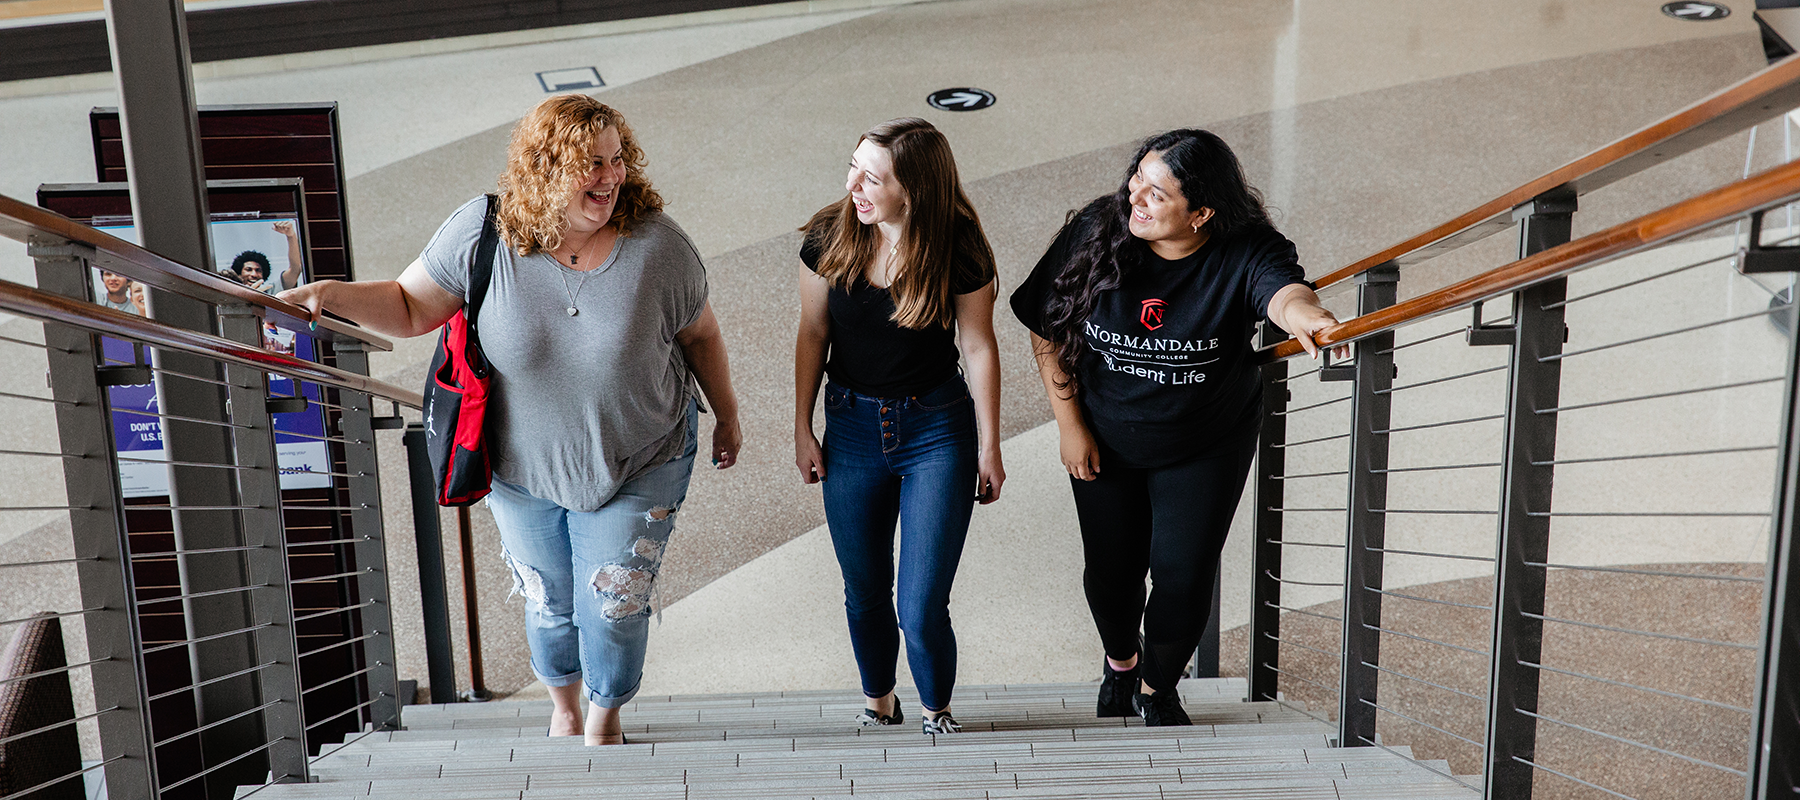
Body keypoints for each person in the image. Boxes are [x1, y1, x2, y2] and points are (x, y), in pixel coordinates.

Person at [279, 94, 741, 746]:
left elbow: (702, 337)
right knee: (550, 602)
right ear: (545, 168)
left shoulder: (658, 247)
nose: (610, 178)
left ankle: (606, 708)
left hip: (643, 454)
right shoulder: (484, 233)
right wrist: (326, 296)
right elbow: (410, 305)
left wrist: (728, 416)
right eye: (591, 165)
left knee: (614, 603)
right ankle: (564, 699)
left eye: (616, 161)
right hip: (521, 467)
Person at [1009, 129, 1344, 727]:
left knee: (1183, 576)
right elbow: (1045, 325)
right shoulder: (1098, 231)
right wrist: (1069, 424)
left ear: (1202, 212)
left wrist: (1310, 317)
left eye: (1156, 192)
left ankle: (1159, 688)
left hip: (1205, 443)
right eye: (1137, 176)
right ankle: (1121, 664)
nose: (1135, 195)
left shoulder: (1246, 248)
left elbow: (1284, 290)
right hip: (1104, 435)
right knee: (1111, 577)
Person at [794, 118, 1004, 736]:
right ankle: (879, 701)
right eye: (853, 167)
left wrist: (990, 447)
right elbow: (813, 333)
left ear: (912, 190)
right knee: (863, 590)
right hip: (852, 427)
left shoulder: (959, 245)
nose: (854, 185)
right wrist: (803, 429)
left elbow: (979, 346)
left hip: (936, 429)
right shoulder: (831, 233)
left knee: (920, 607)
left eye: (872, 178)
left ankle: (938, 713)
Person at [232, 220, 304, 294]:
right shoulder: (230, 294)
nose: (254, 274)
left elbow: (295, 269)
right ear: (239, 274)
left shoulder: (271, 291)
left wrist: (291, 236)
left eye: (258, 270)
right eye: (248, 269)